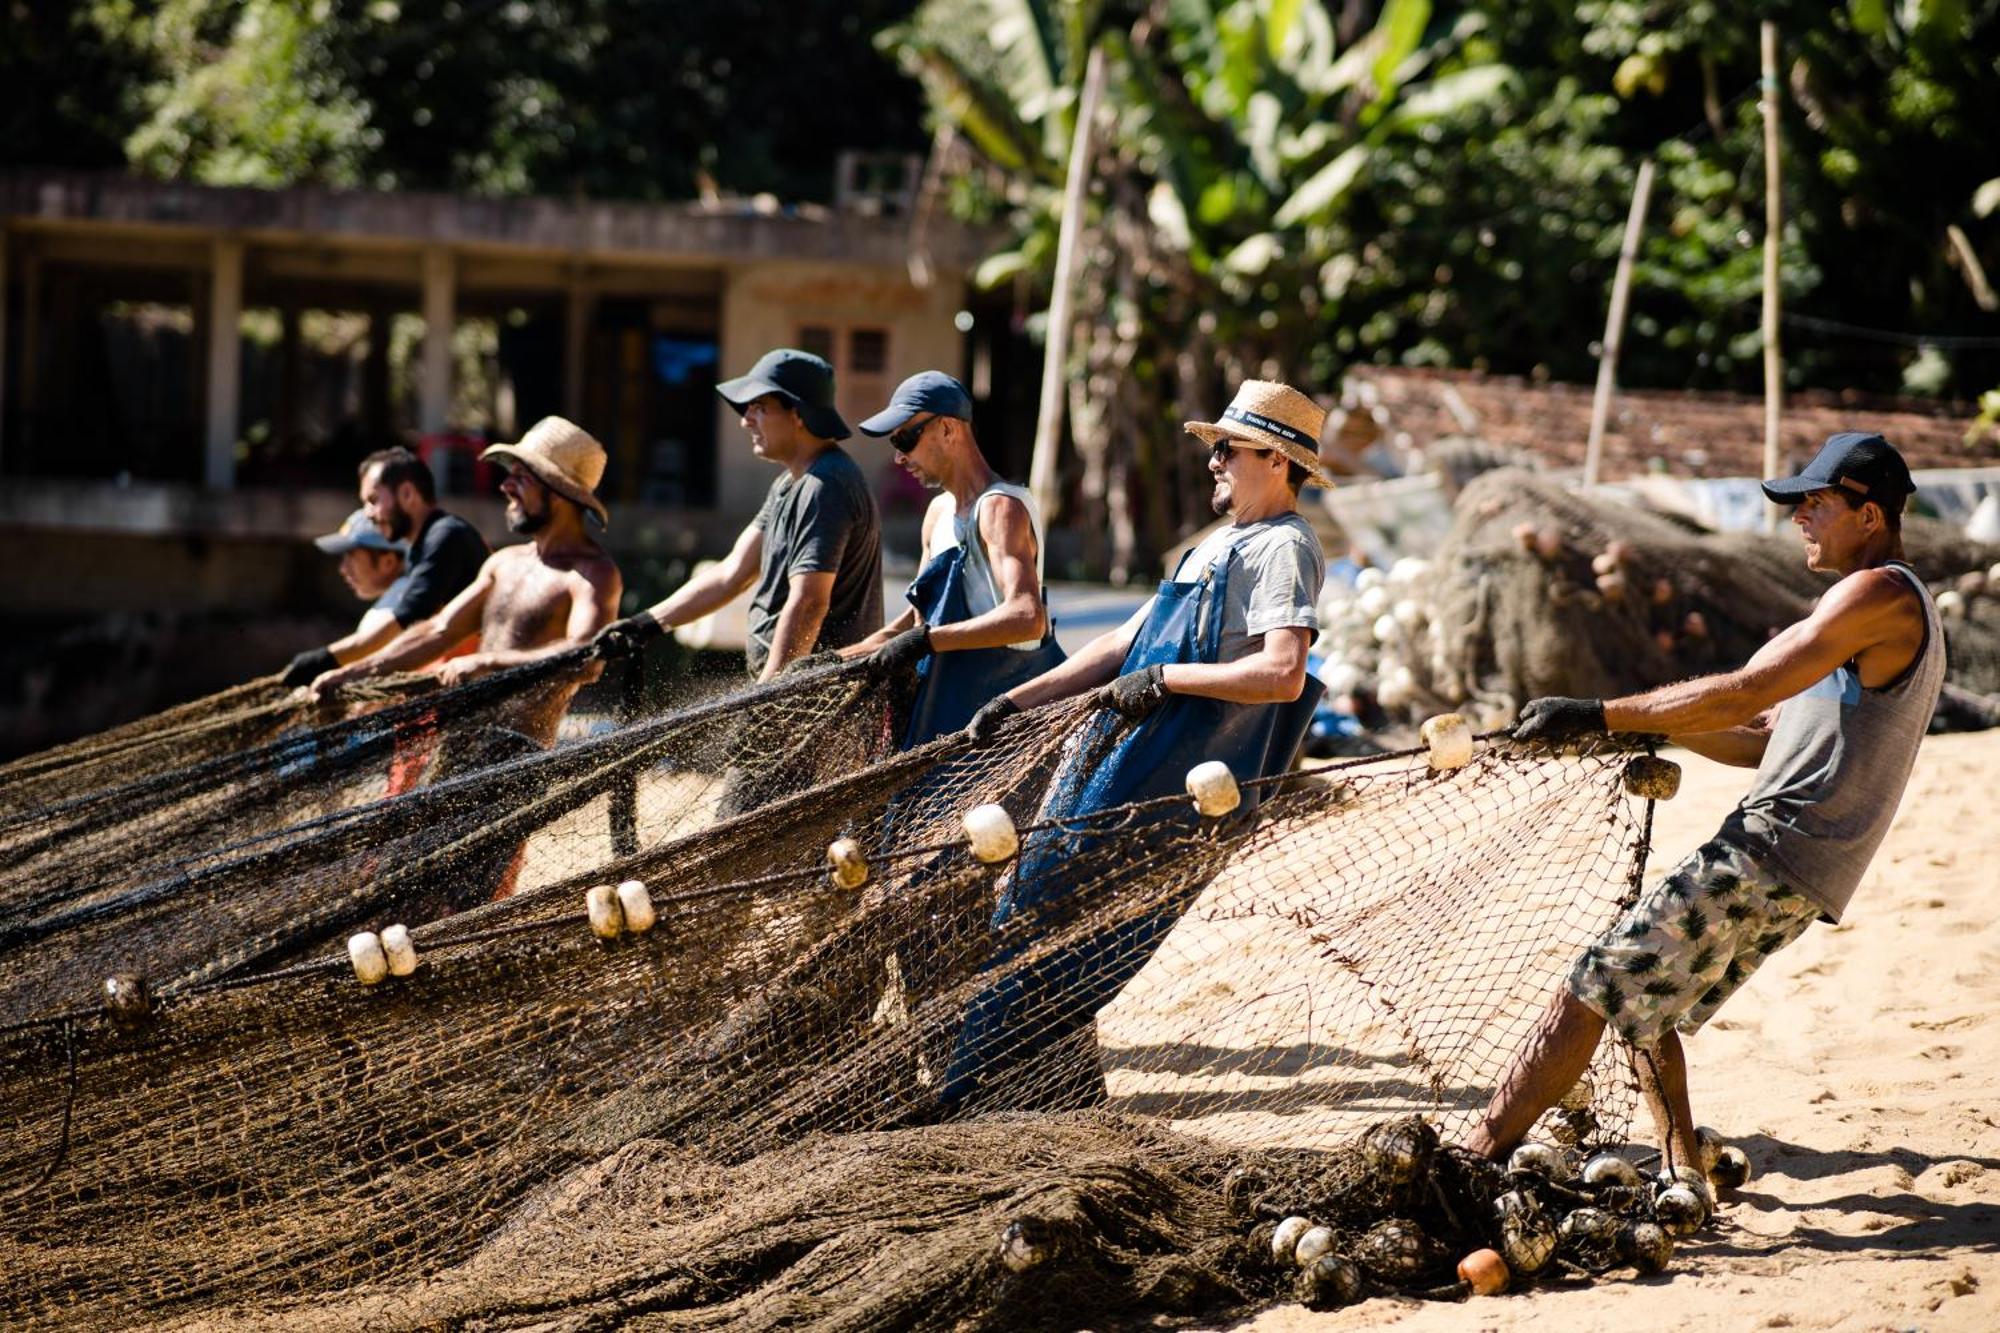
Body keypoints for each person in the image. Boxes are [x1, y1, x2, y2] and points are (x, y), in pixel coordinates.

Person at [1465, 432, 1945, 1178]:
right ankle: (1682, 1174)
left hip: (1773, 847)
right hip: (1801, 862)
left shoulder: (1877, 593)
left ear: (1872, 515)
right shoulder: (1858, 609)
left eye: (1816, 503)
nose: (1800, 518)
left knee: (1591, 985)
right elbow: (1757, 734)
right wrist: (1641, 727)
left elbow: (1750, 692)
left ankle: (1473, 1159)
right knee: (1641, 1000)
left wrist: (1602, 713)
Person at [942, 380, 1333, 1111]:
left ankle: (973, 1097)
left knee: (1047, 926)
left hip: (1163, 785)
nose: (1213, 461)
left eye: (1227, 448)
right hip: (1115, 764)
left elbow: (1283, 673)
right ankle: (1041, 1098)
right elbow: (1124, 642)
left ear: (1276, 462)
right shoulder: (1221, 542)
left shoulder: (1284, 547)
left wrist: (1168, 677)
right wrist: (1016, 701)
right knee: (1039, 925)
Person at [309, 417, 623, 749]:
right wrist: (354, 672)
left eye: (520, 477)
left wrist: (487, 663)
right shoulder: (504, 563)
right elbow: (438, 631)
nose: (505, 487)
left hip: (519, 753)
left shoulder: (593, 573)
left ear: (558, 491)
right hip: (460, 741)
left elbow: (586, 658)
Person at [594, 348, 883, 680]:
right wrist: (645, 624)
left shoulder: (825, 485)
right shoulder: (790, 484)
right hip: (798, 691)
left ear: (798, 414)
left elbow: (809, 603)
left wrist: (767, 701)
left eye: (759, 408)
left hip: (819, 693)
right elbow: (731, 574)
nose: (746, 420)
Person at [839, 371, 1062, 746]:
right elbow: (920, 618)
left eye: (906, 439)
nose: (898, 457)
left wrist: (925, 642)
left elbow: (1027, 618)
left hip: (1005, 714)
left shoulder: (1000, 507)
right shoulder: (938, 512)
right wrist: (848, 657)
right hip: (946, 702)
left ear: (947, 428)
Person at [280, 448, 489, 686]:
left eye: (373, 500)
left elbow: (404, 623)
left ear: (408, 494)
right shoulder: (423, 545)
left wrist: (327, 660)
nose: (368, 514)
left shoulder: (445, 536)